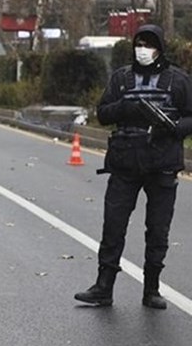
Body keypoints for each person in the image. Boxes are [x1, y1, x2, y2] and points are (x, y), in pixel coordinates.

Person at [74, 24, 192, 310]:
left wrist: (173, 129)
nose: (143, 49)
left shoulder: (178, 80)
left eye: (149, 43)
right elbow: (102, 114)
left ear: (159, 47)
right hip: (125, 165)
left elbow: (191, 117)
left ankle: (151, 288)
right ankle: (104, 287)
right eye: (139, 43)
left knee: (157, 230)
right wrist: (124, 109)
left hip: (162, 165)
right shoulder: (121, 78)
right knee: (113, 226)